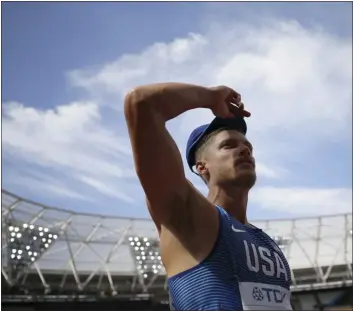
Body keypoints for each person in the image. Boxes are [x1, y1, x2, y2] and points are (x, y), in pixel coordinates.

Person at [124, 83, 292, 310]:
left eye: (248, 147)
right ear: (202, 167)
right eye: (228, 146)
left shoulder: (268, 244)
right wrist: (209, 97)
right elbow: (141, 103)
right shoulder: (186, 215)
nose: (244, 151)